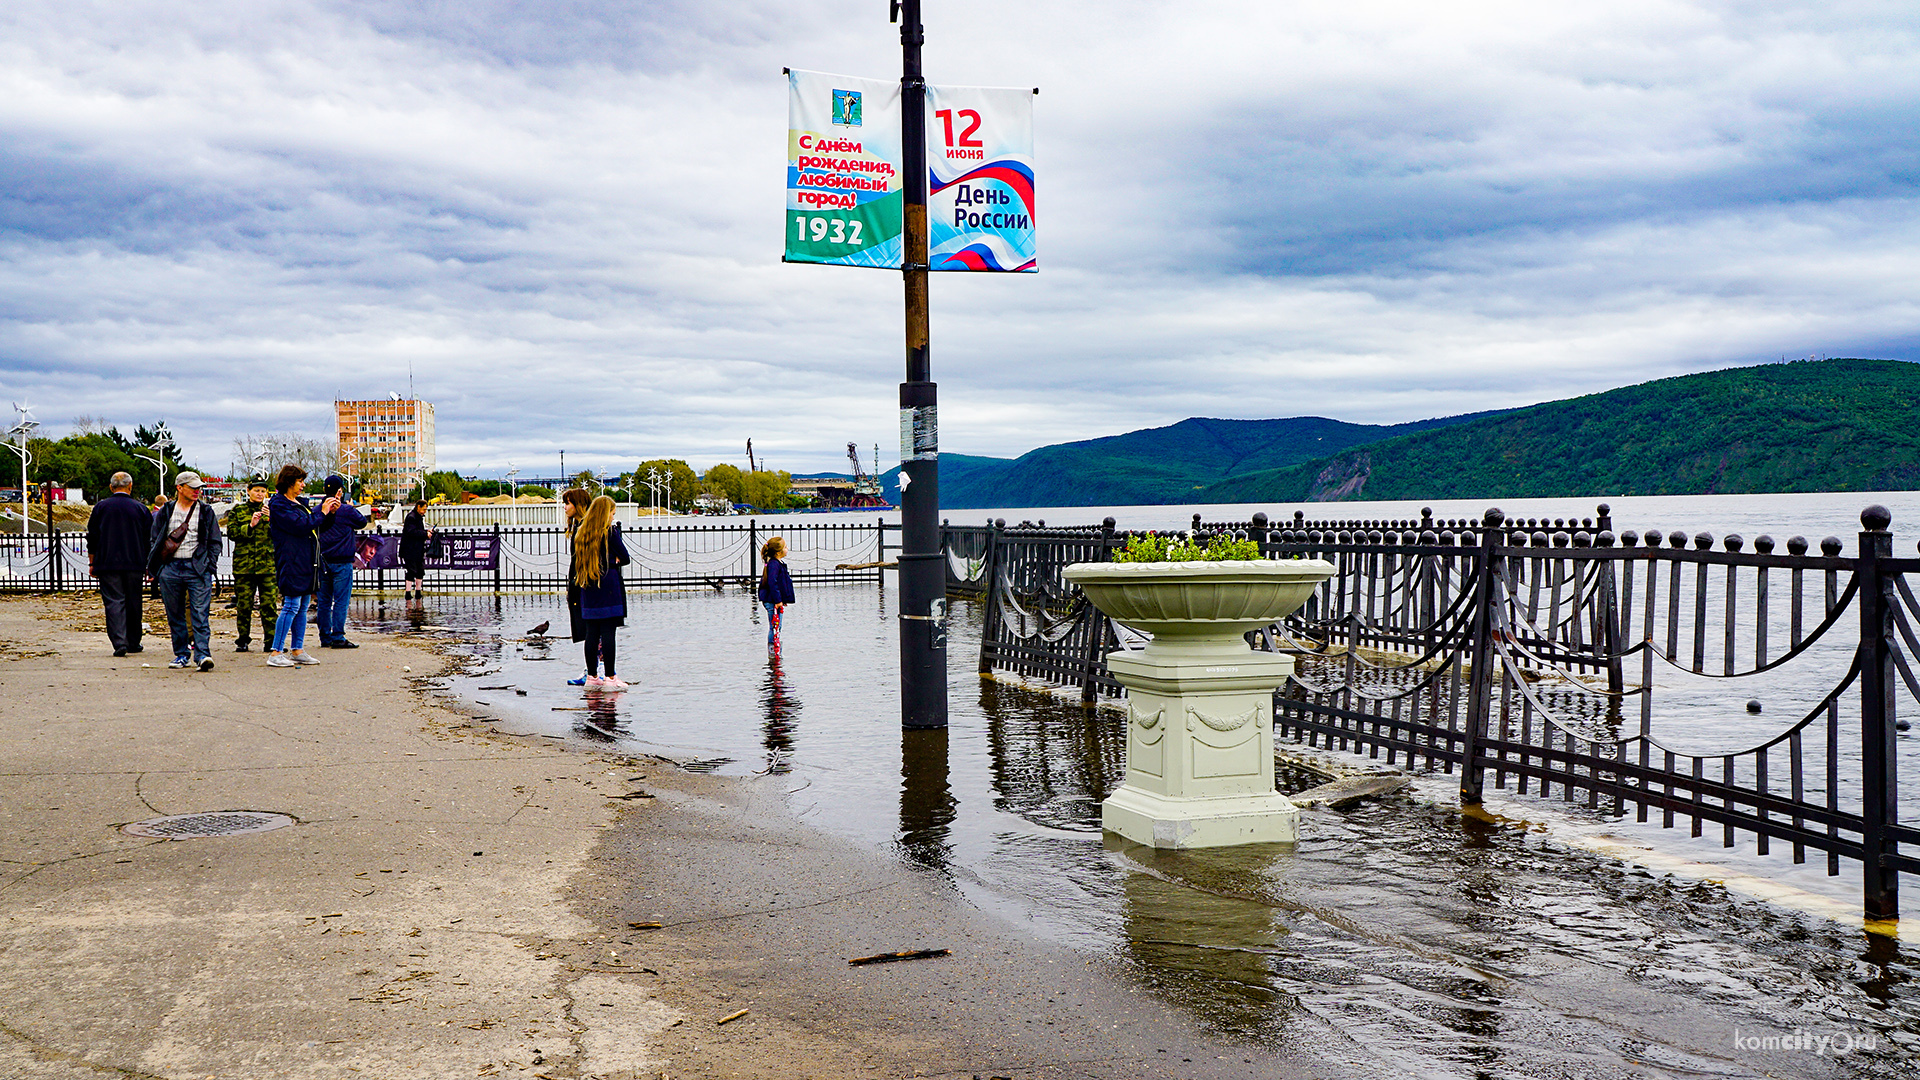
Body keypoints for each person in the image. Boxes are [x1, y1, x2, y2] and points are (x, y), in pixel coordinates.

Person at [147, 471, 223, 671]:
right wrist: (160, 567)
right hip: (170, 568)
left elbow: (215, 540)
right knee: (175, 614)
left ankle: (203, 655)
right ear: (180, 488)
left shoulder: (206, 511)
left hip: (197, 568)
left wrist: (209, 565)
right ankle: (181, 654)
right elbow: (155, 538)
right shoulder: (166, 511)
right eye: (193, 487)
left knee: (200, 612)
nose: (197, 491)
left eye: (199, 488)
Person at [266, 464, 337, 667]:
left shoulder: (299, 503)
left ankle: (297, 649)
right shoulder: (279, 505)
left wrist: (329, 513)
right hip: (291, 561)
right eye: (300, 481)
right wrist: (321, 512)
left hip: (307, 561)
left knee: (303, 606)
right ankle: (276, 651)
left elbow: (316, 525)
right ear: (289, 482)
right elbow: (300, 525)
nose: (303, 485)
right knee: (291, 605)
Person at [567, 495, 630, 689]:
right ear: (605, 513)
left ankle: (592, 677)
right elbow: (625, 557)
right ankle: (611, 678)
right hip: (608, 586)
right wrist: (613, 561)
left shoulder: (581, 532)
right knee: (608, 632)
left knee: (592, 633)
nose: (613, 517)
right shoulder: (609, 532)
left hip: (588, 587)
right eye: (612, 513)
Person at [86, 471, 150, 657]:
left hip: (107, 562)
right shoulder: (141, 508)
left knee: (114, 601)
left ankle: (119, 641)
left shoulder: (101, 507)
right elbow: (148, 538)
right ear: (130, 486)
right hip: (135, 562)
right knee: (134, 601)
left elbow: (93, 537)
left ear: (111, 487)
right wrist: (148, 563)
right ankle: (133, 641)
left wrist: (92, 562)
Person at [221, 480, 279, 652]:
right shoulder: (238, 511)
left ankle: (271, 640)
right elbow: (232, 533)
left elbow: (279, 534)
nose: (260, 494)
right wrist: (250, 525)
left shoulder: (272, 512)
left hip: (267, 565)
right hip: (244, 566)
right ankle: (243, 639)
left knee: (269, 605)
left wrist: (270, 519)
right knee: (244, 605)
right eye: (256, 490)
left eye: (263, 491)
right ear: (248, 491)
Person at [312, 475, 368, 648]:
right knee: (341, 600)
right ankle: (338, 636)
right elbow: (362, 522)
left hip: (322, 561)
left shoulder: (317, 510)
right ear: (339, 492)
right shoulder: (346, 510)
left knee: (324, 601)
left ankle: (324, 636)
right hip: (342, 561)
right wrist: (351, 508)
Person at [559, 487, 593, 660]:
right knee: (586, 627)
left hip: (584, 584)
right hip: (578, 582)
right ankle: (593, 668)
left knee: (592, 628)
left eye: (568, 503)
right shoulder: (578, 526)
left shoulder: (585, 528)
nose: (565, 507)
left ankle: (596, 669)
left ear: (577, 505)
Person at [758, 536, 796, 654]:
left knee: (777, 626)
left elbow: (781, 583)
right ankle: (772, 650)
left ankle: (775, 647)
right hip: (771, 600)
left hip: (774, 599)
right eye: (785, 547)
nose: (787, 548)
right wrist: (777, 600)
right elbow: (772, 583)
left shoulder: (778, 563)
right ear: (779, 552)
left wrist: (782, 599)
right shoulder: (774, 564)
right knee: (774, 626)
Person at [399, 499, 434, 600]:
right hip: (410, 549)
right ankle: (408, 593)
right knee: (411, 570)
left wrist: (426, 531)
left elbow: (417, 531)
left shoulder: (418, 517)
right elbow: (411, 532)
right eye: (423, 509)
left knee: (420, 570)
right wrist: (425, 534)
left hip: (417, 549)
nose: (424, 512)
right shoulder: (411, 517)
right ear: (418, 507)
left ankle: (418, 592)